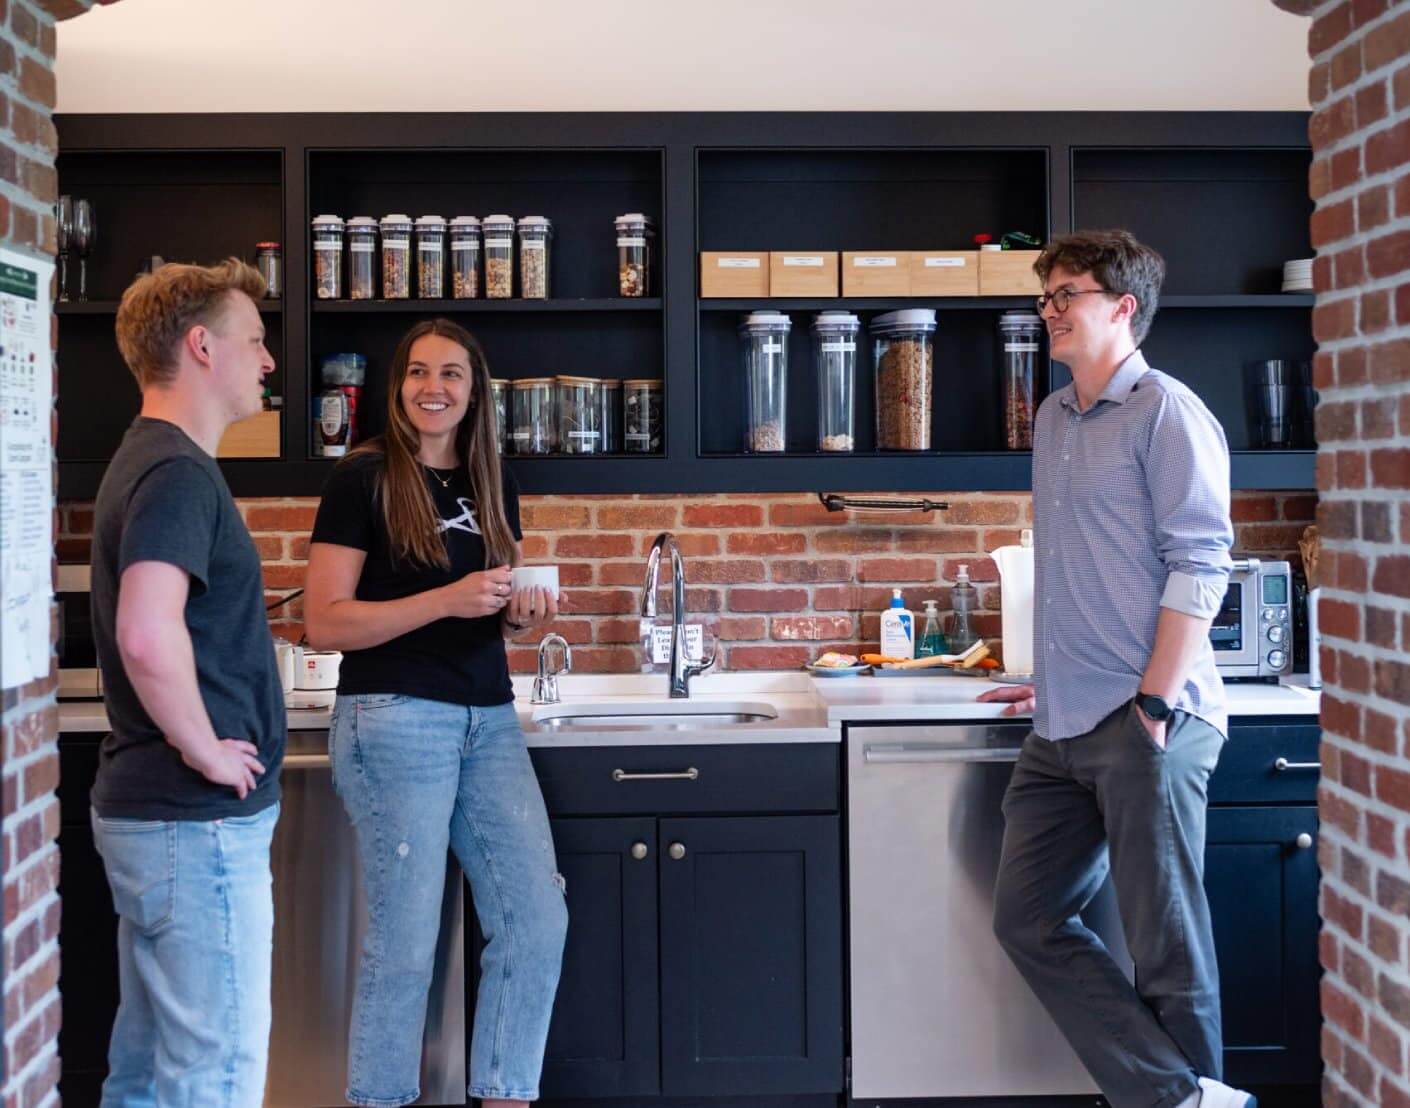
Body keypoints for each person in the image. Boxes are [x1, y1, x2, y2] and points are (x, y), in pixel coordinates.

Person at [978, 230, 1255, 1108]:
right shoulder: (1055, 419)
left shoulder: (1168, 412)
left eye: (1066, 295)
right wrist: (1052, 676)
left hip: (1148, 720)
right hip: (1062, 724)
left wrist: (1153, 698)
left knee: (1167, 950)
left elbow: (1202, 562)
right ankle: (1180, 1097)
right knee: (1027, 918)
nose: (1048, 312)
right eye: (1045, 298)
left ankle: (1186, 1097)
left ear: (1121, 306)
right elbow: (1081, 568)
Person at [303, 318, 567, 1108]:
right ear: (398, 387)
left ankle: (505, 1094)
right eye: (419, 372)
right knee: (407, 946)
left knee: (535, 922)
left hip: (487, 719)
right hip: (392, 718)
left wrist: (522, 617)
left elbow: (498, 618)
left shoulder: (494, 480)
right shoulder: (364, 478)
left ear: (474, 390)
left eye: (451, 373)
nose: (434, 387)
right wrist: (447, 599)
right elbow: (325, 621)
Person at [90, 259, 284, 1106]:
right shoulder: (175, 472)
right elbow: (144, 627)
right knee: (216, 1078)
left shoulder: (151, 458)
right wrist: (205, 748)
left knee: (145, 1073)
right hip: (191, 824)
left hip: (157, 819)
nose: (268, 360)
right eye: (255, 339)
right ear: (202, 347)